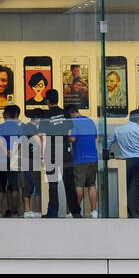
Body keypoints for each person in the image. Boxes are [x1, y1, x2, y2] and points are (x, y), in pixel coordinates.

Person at [110, 110, 139, 218]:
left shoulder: (119, 129)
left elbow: (108, 143)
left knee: (126, 186)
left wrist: (108, 155)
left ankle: (129, 211)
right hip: (138, 160)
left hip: (124, 161)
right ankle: (136, 211)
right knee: (137, 186)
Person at [39, 90, 78, 218]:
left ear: (47, 101)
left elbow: (43, 137)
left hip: (52, 150)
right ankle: (75, 212)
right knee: (69, 183)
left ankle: (53, 212)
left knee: (53, 183)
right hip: (65, 150)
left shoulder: (45, 115)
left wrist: (42, 156)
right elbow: (69, 132)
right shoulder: (65, 113)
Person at [67, 103, 100, 217]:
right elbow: (96, 136)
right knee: (91, 184)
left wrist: (65, 134)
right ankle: (94, 211)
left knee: (78, 185)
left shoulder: (74, 122)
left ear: (70, 114)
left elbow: (72, 138)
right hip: (93, 157)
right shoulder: (90, 121)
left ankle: (75, 211)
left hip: (80, 158)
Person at [0, 105, 24, 217]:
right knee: (14, 186)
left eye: (3, 112)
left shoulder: (1, 126)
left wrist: (6, 153)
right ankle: (13, 210)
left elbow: (0, 142)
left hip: (2, 159)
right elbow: (21, 143)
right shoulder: (21, 127)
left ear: (8, 114)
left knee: (0, 186)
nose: (2, 115)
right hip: (15, 160)